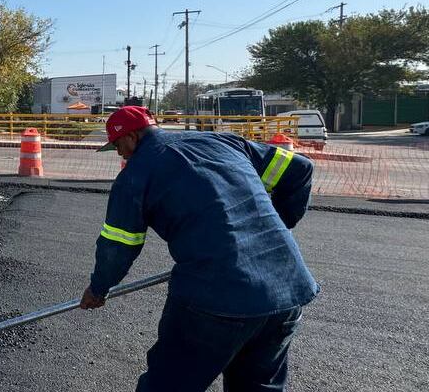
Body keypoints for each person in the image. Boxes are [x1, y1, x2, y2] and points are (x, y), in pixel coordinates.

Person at [77, 106, 318, 392]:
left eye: (118, 146)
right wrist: (277, 225)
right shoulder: (220, 141)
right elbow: (301, 168)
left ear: (131, 136)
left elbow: (117, 246)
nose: (120, 154)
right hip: (286, 289)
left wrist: (98, 288)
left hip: (215, 298)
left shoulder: (135, 176)